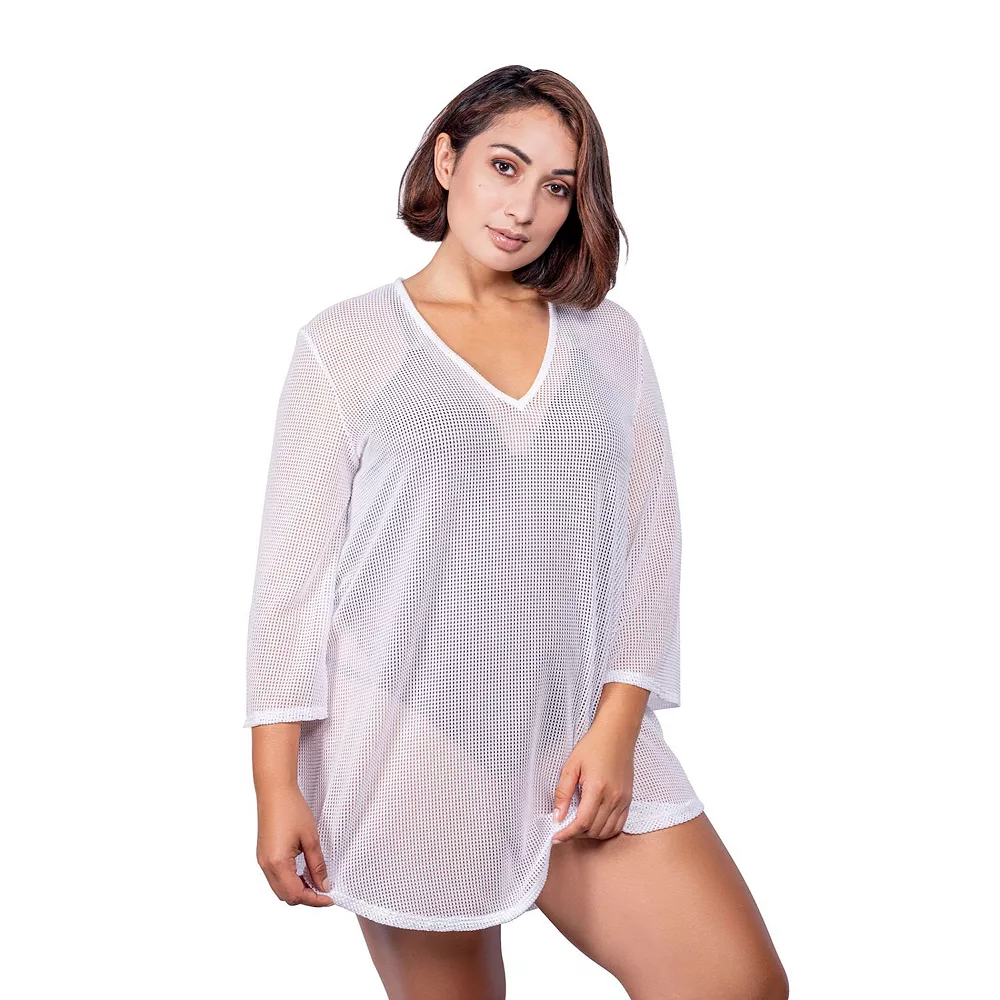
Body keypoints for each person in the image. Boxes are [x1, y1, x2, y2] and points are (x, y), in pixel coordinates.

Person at [244, 64, 788, 1000]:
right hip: (409, 740)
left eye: (558, 186)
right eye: (505, 165)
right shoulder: (348, 343)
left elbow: (651, 542)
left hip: (576, 734)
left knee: (738, 984)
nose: (525, 207)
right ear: (446, 161)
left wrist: (617, 726)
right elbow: (293, 585)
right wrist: (275, 785)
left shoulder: (607, 339)